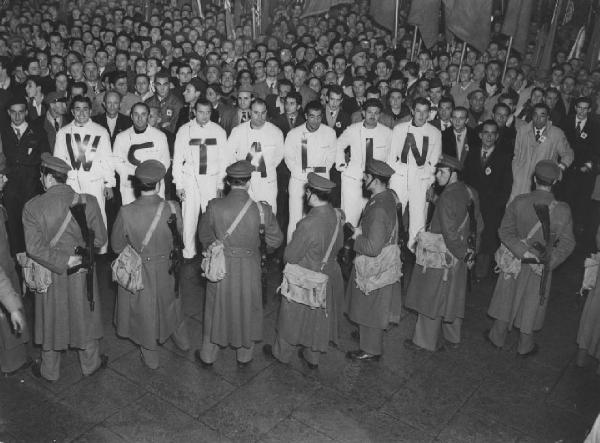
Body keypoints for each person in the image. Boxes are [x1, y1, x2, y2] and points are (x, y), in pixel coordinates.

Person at [23, 154, 108, 381]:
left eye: (42, 176)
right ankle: (91, 364)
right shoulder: (87, 201)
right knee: (85, 317)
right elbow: (100, 240)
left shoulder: (32, 207)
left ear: (49, 178)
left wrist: (60, 260)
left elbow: (33, 248)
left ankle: (49, 370)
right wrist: (75, 255)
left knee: (50, 318)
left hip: (49, 274)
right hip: (81, 273)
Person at [196, 160, 283, 367]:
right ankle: (245, 356)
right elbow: (275, 240)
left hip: (221, 265)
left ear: (228, 182)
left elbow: (203, 236)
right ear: (248, 181)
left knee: (216, 307)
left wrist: (215, 246)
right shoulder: (262, 210)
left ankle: (208, 355)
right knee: (248, 307)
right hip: (250, 266)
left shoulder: (214, 206)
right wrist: (257, 250)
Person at [486, 160, 575, 356]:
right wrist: (547, 263)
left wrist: (522, 252)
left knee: (506, 297)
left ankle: (497, 337)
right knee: (532, 303)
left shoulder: (520, 201)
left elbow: (505, 231)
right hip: (541, 265)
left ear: (534, 178)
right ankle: (525, 346)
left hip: (515, 260)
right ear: (554, 182)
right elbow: (568, 244)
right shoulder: (562, 210)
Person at [111, 160, 190, 369]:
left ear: (138, 185)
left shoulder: (126, 212)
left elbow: (116, 246)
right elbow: (179, 238)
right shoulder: (173, 207)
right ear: (160, 183)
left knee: (144, 311)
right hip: (168, 267)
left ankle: (150, 354)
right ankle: (181, 340)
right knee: (172, 301)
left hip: (141, 270)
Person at [264, 173, 344, 368]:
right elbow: (339, 243)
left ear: (312, 195)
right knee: (318, 317)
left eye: (307, 191)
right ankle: (312, 357)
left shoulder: (308, 224)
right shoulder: (336, 215)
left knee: (291, 316)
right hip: (329, 274)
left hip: (306, 277)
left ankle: (281, 354)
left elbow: (290, 256)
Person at [405, 155, 483, 351]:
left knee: (431, 298)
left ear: (453, 174)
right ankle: (453, 337)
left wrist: (459, 252)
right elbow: (478, 225)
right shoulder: (470, 191)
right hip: (463, 254)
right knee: (454, 297)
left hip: (442, 255)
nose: (437, 175)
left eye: (442, 172)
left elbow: (448, 233)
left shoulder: (447, 196)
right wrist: (469, 254)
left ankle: (424, 341)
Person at [345, 159, 401, 361]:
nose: (363, 179)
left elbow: (372, 247)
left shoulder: (378, 209)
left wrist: (355, 238)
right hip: (385, 260)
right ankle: (367, 338)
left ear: (376, 180)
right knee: (370, 304)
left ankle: (370, 349)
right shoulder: (386, 197)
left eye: (367, 177)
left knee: (371, 306)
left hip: (375, 265)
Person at [53, 95, 115, 253]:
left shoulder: (101, 132)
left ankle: (100, 251)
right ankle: (75, 249)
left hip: (94, 181)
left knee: (98, 215)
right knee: (72, 216)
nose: (81, 113)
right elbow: (59, 161)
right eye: (78, 109)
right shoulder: (63, 132)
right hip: (71, 182)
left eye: (85, 109)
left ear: (91, 111)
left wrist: (109, 183)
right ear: (72, 112)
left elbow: (107, 159)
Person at [173, 99, 229, 260]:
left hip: (211, 179)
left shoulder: (219, 131)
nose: (204, 116)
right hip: (190, 178)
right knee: (189, 217)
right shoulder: (185, 130)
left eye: (207, 112)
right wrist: (179, 184)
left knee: (211, 217)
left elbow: (223, 160)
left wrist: (220, 183)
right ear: (194, 111)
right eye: (200, 112)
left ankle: (211, 252)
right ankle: (188, 253)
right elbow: (177, 159)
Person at [388, 97, 442, 251]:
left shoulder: (435, 133)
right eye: (418, 111)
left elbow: (434, 162)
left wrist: (430, 183)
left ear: (429, 113)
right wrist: (394, 178)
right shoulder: (400, 129)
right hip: (400, 177)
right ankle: (390, 252)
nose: (421, 115)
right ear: (412, 111)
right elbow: (392, 157)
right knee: (393, 216)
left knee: (418, 222)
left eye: (425, 112)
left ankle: (415, 255)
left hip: (421, 180)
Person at [0, 95, 51, 255]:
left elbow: (46, 157)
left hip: (32, 187)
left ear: (26, 112)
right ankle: (18, 261)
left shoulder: (37, 131)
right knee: (14, 227)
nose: (17, 116)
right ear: (8, 112)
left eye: (21, 112)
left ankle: (35, 259)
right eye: (13, 112)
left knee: (33, 226)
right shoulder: (3, 132)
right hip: (11, 188)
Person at [463, 120, 512, 279]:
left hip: (491, 208)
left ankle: (480, 273)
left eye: (492, 133)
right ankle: (466, 269)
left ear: (497, 136)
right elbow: (465, 178)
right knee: (470, 235)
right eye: (486, 133)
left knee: (487, 238)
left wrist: (497, 205)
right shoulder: (472, 152)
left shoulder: (503, 157)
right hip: (472, 204)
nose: (489, 137)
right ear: (480, 135)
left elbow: (506, 186)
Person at [284, 100, 337, 240]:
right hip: (298, 180)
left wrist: (317, 176)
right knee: (295, 218)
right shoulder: (294, 134)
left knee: (318, 219)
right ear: (306, 116)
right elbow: (288, 158)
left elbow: (331, 158)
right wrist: (303, 174)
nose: (315, 120)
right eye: (312, 116)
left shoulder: (330, 133)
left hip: (320, 182)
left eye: (319, 117)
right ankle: (291, 255)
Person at [336, 98, 392, 226]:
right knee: (349, 220)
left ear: (380, 115)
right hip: (354, 180)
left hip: (375, 183)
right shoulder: (352, 129)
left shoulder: (387, 133)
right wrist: (342, 166)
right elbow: (338, 145)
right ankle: (345, 244)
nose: (372, 116)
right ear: (363, 113)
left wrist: (385, 177)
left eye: (376, 113)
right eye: (369, 112)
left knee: (372, 221)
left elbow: (391, 155)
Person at [228, 98, 285, 213]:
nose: (260, 117)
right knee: (244, 216)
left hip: (267, 181)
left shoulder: (276, 132)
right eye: (256, 113)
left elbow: (278, 156)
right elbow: (228, 154)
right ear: (250, 112)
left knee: (269, 216)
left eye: (263, 113)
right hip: (244, 182)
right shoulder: (238, 131)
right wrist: (239, 172)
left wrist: (266, 168)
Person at [509, 103, 573, 202]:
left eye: (542, 115)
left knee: (537, 212)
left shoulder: (556, 134)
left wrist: (558, 169)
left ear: (548, 117)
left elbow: (568, 154)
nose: (538, 118)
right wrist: (516, 172)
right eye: (535, 115)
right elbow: (516, 154)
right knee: (516, 209)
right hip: (520, 182)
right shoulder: (522, 131)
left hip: (542, 183)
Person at [113, 102, 171, 205]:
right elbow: (117, 162)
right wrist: (135, 177)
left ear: (148, 116)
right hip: (130, 186)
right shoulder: (121, 137)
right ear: (131, 116)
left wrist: (150, 179)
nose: (139, 118)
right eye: (136, 114)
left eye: (143, 114)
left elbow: (165, 162)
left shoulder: (160, 136)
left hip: (154, 186)